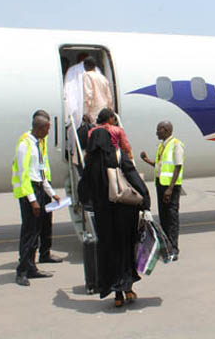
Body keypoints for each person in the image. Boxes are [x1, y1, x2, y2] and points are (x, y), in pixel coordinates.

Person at [80, 127, 151, 307]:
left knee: (108, 252)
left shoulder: (90, 163)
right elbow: (134, 179)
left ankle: (116, 295)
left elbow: (82, 191)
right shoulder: (117, 156)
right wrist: (145, 201)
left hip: (103, 217)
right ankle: (128, 288)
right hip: (124, 214)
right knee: (125, 250)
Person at [12, 114, 61, 286]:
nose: (49, 132)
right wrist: (33, 200)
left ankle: (32, 268)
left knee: (36, 232)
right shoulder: (25, 145)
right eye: (48, 129)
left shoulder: (38, 144)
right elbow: (23, 175)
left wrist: (51, 192)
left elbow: (40, 173)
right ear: (40, 128)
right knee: (29, 232)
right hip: (29, 192)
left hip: (39, 189)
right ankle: (22, 271)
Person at [140, 121, 184, 260]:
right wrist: (147, 160)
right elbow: (161, 166)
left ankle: (174, 249)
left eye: (158, 130)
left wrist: (170, 188)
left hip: (170, 187)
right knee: (164, 217)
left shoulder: (176, 144)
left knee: (171, 218)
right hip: (161, 185)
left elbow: (178, 166)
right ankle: (166, 246)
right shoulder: (162, 145)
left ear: (165, 130)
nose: (156, 132)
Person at [83, 56, 113, 124]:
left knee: (95, 132)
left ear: (85, 66)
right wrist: (110, 110)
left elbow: (88, 95)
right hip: (104, 110)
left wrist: (85, 112)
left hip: (94, 110)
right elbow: (109, 96)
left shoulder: (87, 75)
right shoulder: (102, 77)